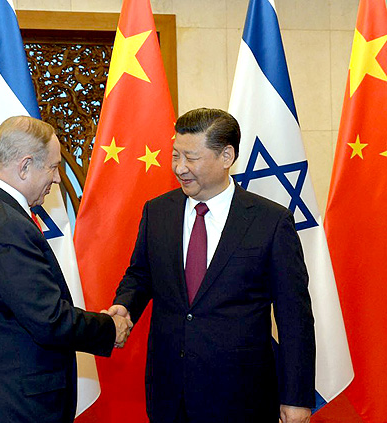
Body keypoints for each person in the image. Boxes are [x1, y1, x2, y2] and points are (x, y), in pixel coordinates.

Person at [106, 108, 315, 423]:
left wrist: (296, 398)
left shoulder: (270, 222)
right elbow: (141, 275)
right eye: (175, 155)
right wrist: (125, 305)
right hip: (169, 394)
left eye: (191, 158)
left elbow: (294, 319)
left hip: (242, 397)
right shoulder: (158, 212)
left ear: (226, 155)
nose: (180, 168)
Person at [0, 116, 132, 423]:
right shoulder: (7, 225)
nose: (57, 179)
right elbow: (48, 319)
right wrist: (109, 329)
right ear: (25, 166)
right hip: (11, 405)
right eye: (54, 167)